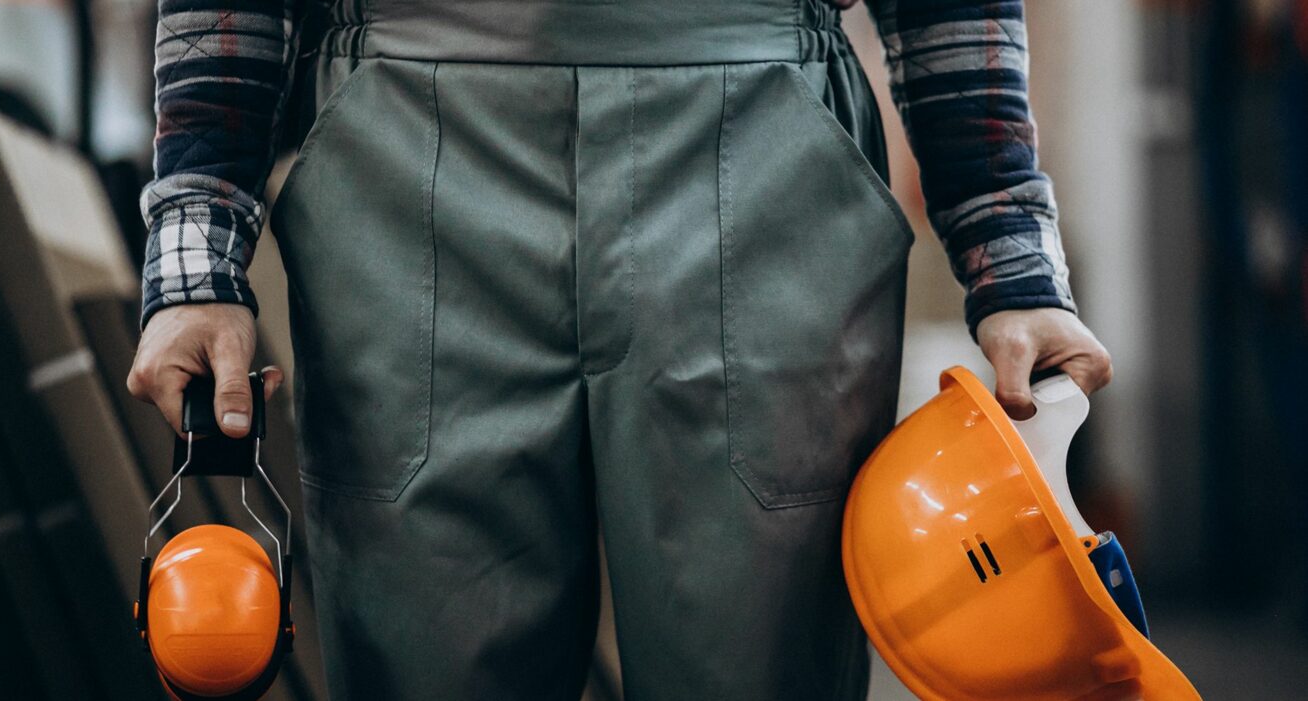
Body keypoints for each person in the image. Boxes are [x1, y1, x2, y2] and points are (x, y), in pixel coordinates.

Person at [127, 0, 1112, 698]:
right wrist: (196, 252)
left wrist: (1008, 252)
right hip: (407, 154)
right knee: (427, 665)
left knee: (756, 669)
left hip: (758, 139)